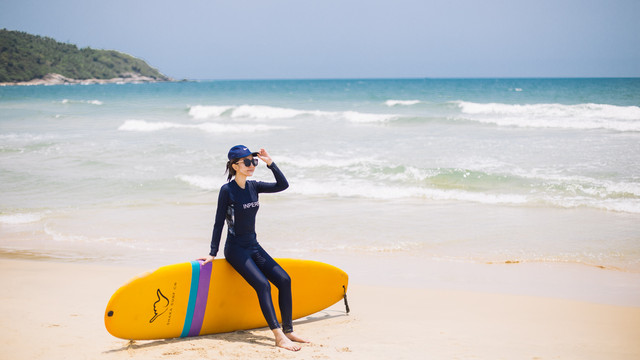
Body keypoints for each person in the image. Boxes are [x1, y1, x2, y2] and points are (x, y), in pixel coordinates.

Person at [200, 145, 308, 351]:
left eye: (253, 161)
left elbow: (282, 185)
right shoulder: (227, 190)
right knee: (264, 286)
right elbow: (218, 222)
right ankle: (277, 335)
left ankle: (289, 331)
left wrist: (270, 163)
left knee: (284, 280)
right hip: (235, 249)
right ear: (235, 165)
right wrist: (212, 253)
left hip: (253, 245)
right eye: (247, 162)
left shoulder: (254, 186)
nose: (251, 166)